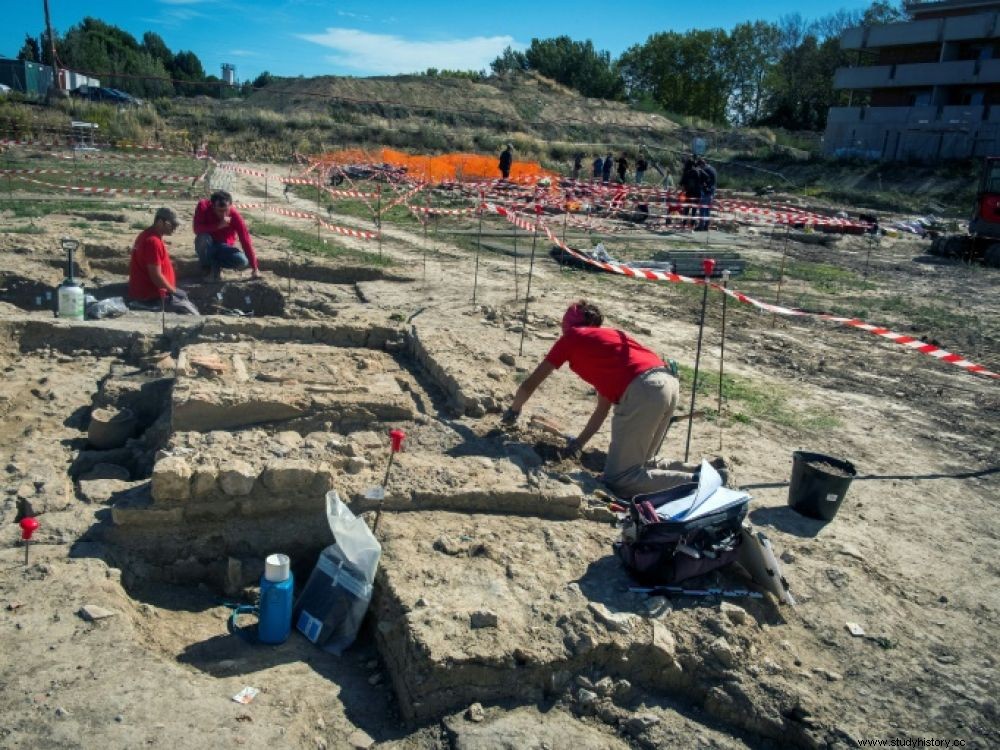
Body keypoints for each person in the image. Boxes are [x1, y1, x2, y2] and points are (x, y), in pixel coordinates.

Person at [502, 300, 695, 499]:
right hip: (667, 383)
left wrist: (513, 410)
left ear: (567, 324)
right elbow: (602, 409)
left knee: (620, 479)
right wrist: (578, 444)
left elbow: (531, 383)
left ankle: (699, 484)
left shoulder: (572, 338)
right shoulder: (606, 344)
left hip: (644, 390)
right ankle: (703, 471)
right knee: (643, 462)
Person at [128, 207, 199, 315]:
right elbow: (156, 276)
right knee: (191, 313)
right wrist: (174, 291)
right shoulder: (152, 242)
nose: (175, 228)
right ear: (160, 222)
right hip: (152, 297)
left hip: (154, 293)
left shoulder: (147, 235)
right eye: (173, 225)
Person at [193, 190, 261, 281]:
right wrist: (218, 226)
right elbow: (197, 229)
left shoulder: (234, 216)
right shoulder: (203, 206)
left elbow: (245, 240)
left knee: (242, 261)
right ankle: (207, 268)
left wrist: (255, 268)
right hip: (208, 244)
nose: (223, 214)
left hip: (223, 247)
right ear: (212, 207)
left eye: (226, 210)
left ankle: (215, 265)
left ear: (230, 206)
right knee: (203, 238)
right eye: (220, 211)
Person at [696, 157, 717, 231]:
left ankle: (701, 226)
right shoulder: (713, 169)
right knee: (707, 209)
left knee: (702, 209)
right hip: (712, 191)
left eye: (699, 166)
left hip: (706, 192)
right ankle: (706, 226)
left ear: (701, 164)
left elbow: (702, 180)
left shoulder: (704, 170)